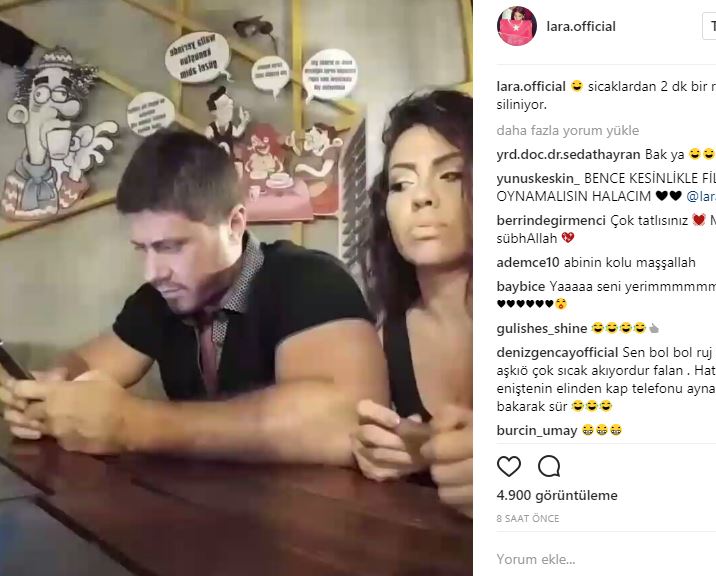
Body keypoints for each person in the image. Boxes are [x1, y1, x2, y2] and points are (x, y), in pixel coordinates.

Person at [0, 129, 388, 464]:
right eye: (141, 249)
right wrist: (51, 387)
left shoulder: (310, 279)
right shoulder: (157, 299)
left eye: (170, 247)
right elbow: (86, 362)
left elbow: (349, 422)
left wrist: (134, 424)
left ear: (234, 224)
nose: (152, 272)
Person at [353, 90, 473, 517]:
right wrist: (398, 451)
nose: (421, 197)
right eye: (401, 183)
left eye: (451, 175)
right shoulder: (385, 338)